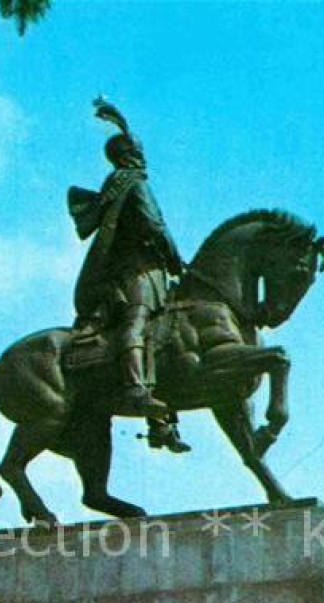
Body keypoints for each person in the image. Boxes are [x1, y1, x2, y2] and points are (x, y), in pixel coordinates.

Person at [68, 99, 190, 453]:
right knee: (137, 321)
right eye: (136, 151)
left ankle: (161, 422)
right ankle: (135, 388)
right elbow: (154, 224)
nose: (142, 156)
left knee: (163, 334)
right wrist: (175, 257)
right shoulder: (132, 184)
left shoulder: (124, 182)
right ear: (127, 155)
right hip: (134, 271)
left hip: (148, 270)